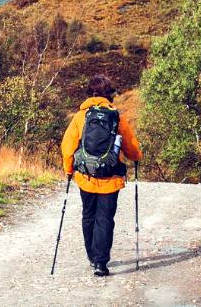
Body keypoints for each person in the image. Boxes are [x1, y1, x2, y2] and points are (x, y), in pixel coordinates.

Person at [59, 74, 142, 276]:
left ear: (90, 92)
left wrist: (69, 170)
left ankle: (91, 256)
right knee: (105, 219)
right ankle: (100, 263)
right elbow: (130, 146)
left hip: (85, 177)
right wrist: (136, 157)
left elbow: (67, 146)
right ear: (109, 94)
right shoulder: (116, 117)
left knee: (88, 215)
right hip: (111, 178)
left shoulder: (81, 117)